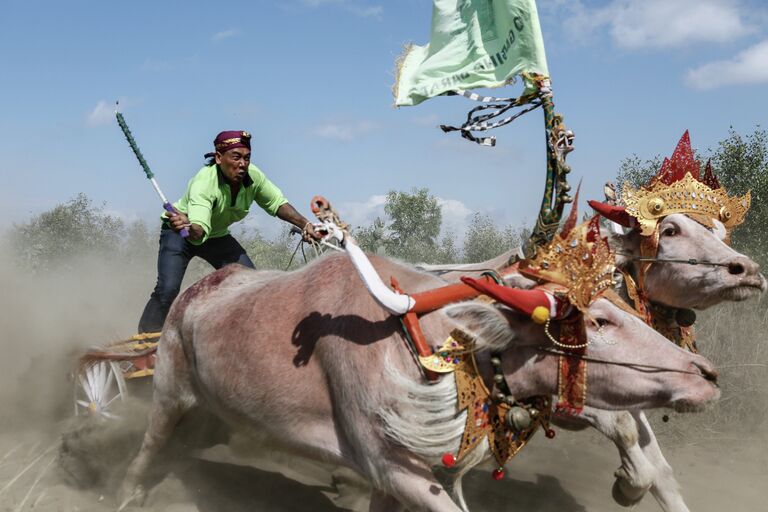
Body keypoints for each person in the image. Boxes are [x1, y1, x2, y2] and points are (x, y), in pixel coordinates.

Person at [137, 130, 320, 333]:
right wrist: (186, 226)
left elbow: (277, 204)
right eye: (236, 157)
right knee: (167, 289)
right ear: (218, 158)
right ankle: (143, 344)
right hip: (181, 234)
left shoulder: (253, 177)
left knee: (251, 284)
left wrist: (306, 224)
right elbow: (198, 232)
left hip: (216, 237)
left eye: (247, 158)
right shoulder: (204, 183)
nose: (242, 164)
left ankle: (244, 337)